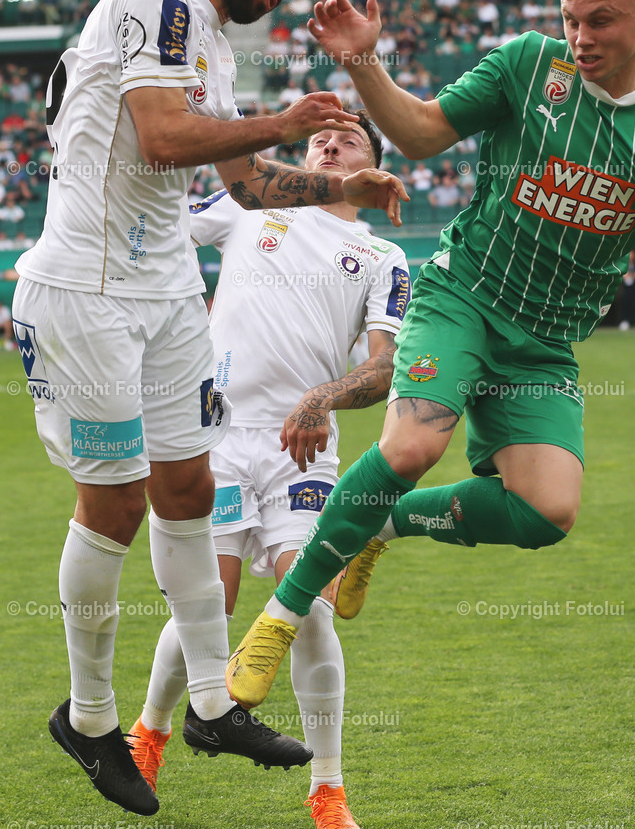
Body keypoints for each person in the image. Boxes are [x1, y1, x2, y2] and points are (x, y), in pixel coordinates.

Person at [225, 0, 635, 715]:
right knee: (414, 444)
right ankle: (281, 615)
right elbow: (420, 133)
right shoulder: (528, 66)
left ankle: (382, 524)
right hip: (463, 296)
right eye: (570, 20)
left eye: (601, 21)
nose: (581, 37)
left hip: (544, 341)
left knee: (546, 512)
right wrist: (363, 63)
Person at [9, 0, 406, 817]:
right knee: (111, 500)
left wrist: (341, 179)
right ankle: (94, 720)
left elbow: (246, 183)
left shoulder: (213, 50)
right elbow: (160, 138)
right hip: (90, 289)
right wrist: (282, 121)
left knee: (183, 490)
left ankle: (213, 705)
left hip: (163, 295)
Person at [128, 114, 409, 827]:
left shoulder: (380, 256)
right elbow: (155, 230)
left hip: (302, 448)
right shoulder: (248, 203)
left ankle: (328, 789)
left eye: (349, 139)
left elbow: (384, 366)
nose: (330, 141)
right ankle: (149, 735)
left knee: (310, 606)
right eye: (321, 137)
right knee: (205, 608)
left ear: (372, 165)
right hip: (216, 435)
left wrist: (321, 398)